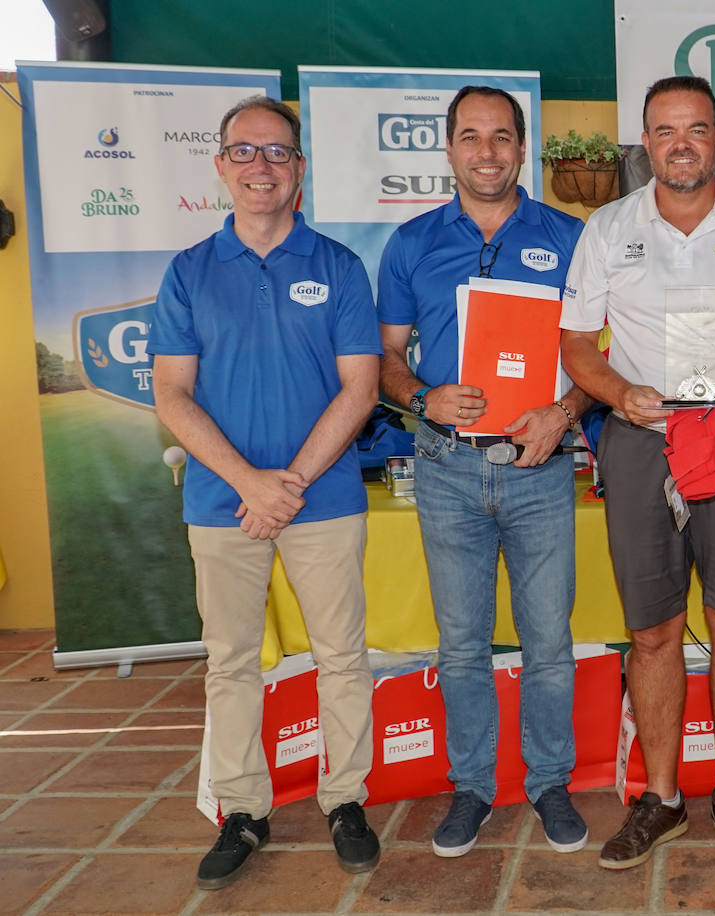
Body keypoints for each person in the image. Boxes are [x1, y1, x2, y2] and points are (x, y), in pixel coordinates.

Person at [560, 75, 715, 872]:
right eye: (665, 130)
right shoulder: (607, 228)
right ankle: (662, 798)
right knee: (653, 629)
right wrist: (618, 395)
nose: (681, 143)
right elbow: (574, 344)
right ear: (646, 142)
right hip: (639, 438)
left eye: (697, 129)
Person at [149, 95, 382, 889]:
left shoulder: (339, 267)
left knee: (343, 658)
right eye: (244, 152)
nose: (261, 167)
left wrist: (289, 486)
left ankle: (345, 798)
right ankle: (243, 811)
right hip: (223, 504)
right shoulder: (187, 272)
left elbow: (360, 389)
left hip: (325, 501)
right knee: (231, 663)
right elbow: (172, 396)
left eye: (277, 153)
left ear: (300, 170)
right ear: (220, 166)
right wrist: (253, 483)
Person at [376, 85, 593, 858]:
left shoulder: (570, 237)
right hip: (446, 470)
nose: (487, 152)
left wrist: (565, 412)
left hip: (538, 469)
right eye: (471, 137)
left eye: (502, 137)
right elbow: (386, 359)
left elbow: (602, 354)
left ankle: (549, 783)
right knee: (462, 644)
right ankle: (472, 785)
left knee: (548, 642)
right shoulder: (411, 244)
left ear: (521, 146)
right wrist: (421, 395)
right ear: (450, 149)